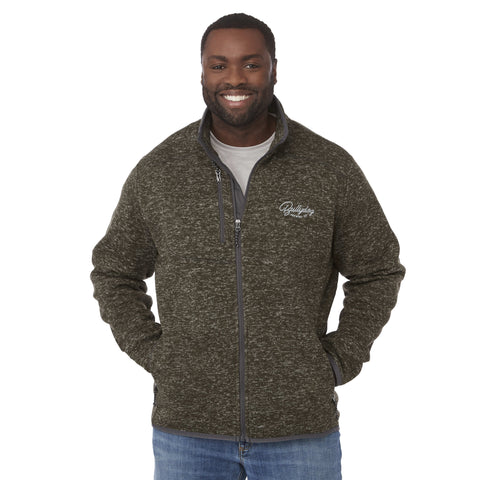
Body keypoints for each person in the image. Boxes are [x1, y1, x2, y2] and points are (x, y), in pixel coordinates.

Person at [91, 13, 405, 480]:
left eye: (251, 64)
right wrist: (158, 355)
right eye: (219, 65)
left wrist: (340, 359)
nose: (234, 78)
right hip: (187, 433)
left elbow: (378, 269)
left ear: (275, 69)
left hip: (300, 432)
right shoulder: (160, 171)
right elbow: (115, 271)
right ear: (202, 73)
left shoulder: (328, 168)